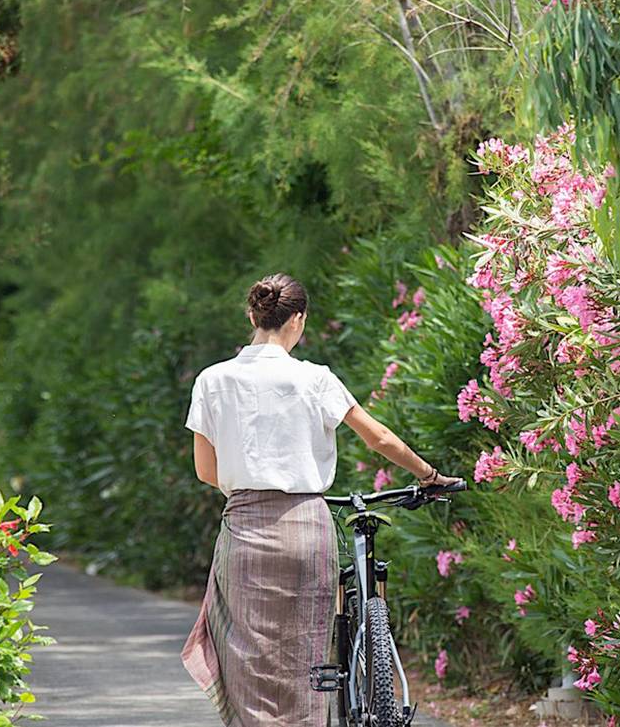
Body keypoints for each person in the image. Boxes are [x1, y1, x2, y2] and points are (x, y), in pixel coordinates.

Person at [179, 271, 462, 727]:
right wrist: (429, 475)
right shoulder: (315, 379)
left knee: (246, 657)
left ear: (252, 315)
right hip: (307, 530)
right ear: (299, 321)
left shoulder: (213, 381)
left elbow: (205, 471)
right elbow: (380, 439)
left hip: (246, 531)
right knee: (307, 657)